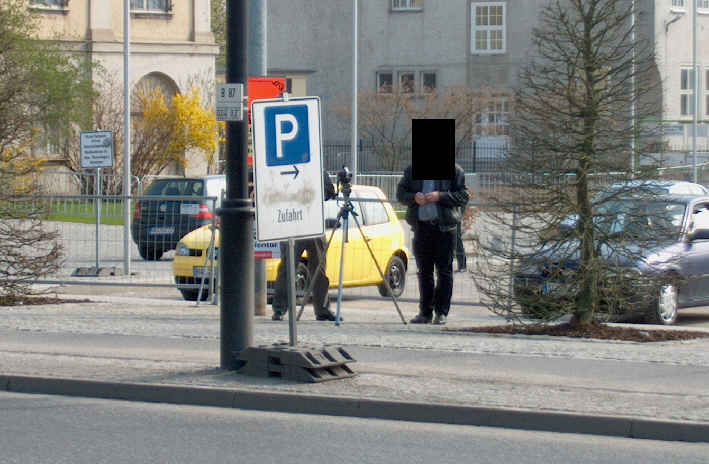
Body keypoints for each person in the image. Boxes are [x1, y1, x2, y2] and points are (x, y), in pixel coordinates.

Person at [396, 164, 469, 324]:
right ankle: (425, 312)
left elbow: (463, 196)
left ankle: (441, 312)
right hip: (421, 228)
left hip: (445, 229)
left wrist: (440, 196)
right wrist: (413, 197)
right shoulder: (411, 170)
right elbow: (400, 194)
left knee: (444, 272)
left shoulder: (456, 171)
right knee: (424, 272)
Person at [272, 171, 338, 321]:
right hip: (293, 223)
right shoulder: (287, 169)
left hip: (313, 223)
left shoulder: (316, 166)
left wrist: (311, 189)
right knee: (288, 267)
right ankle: (280, 308)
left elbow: (329, 191)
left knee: (319, 268)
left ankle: (322, 309)